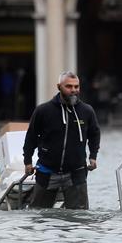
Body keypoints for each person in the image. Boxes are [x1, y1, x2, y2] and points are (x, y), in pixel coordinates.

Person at [23, 71, 101, 210]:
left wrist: (93, 156)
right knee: (38, 216)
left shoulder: (87, 111)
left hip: (76, 172)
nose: (73, 91)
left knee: (80, 219)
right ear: (59, 87)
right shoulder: (43, 110)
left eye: (76, 87)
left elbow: (94, 135)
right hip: (47, 171)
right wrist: (27, 161)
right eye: (69, 87)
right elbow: (31, 137)